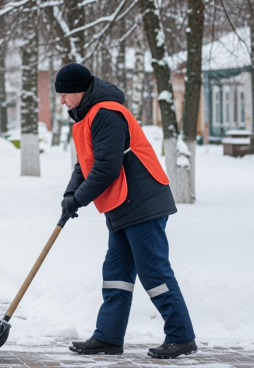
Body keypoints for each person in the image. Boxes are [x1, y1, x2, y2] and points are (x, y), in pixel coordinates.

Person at [55, 63, 196, 359]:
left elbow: (107, 168)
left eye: (65, 94)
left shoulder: (106, 113)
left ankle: (181, 336)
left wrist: (78, 200)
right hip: (122, 204)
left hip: (142, 201)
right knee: (116, 273)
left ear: (80, 91)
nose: (62, 101)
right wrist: (71, 194)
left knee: (153, 271)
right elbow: (86, 163)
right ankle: (108, 337)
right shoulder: (85, 116)